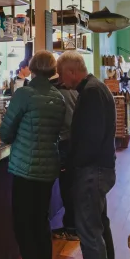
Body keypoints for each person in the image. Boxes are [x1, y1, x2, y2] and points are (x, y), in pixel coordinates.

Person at [0, 51, 67, 259]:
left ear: (31, 69)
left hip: (26, 169)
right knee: (41, 226)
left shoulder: (24, 95)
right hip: (48, 168)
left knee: (24, 228)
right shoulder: (58, 97)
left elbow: (6, 133)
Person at [56, 51, 117, 259]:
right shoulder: (96, 87)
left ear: (71, 71)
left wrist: (72, 164)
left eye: (62, 74)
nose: (61, 80)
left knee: (89, 229)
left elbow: (89, 138)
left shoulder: (90, 92)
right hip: (101, 167)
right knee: (100, 224)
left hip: (92, 170)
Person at [50, 71, 78, 241]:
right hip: (75, 142)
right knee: (72, 185)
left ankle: (71, 228)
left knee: (66, 187)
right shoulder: (75, 90)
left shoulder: (56, 93)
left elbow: (59, 122)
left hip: (63, 143)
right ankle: (73, 226)